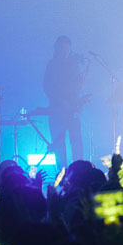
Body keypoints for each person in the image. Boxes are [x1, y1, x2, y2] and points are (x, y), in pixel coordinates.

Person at [43, 36, 89, 169]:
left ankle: (78, 171)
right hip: (57, 110)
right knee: (59, 144)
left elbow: (77, 86)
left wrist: (80, 96)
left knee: (76, 142)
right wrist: (60, 101)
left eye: (67, 48)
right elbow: (48, 87)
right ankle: (62, 172)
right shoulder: (52, 65)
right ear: (57, 48)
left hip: (73, 109)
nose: (65, 51)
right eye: (62, 48)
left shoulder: (73, 65)